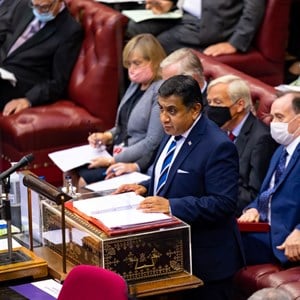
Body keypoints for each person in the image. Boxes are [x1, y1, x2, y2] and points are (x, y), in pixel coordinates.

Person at [114, 75, 245, 300]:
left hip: (206, 263)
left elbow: (223, 203)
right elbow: (172, 175)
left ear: (195, 110)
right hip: (172, 252)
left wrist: (171, 205)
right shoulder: (173, 132)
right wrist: (144, 187)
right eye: (161, 109)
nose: (164, 118)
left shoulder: (218, 146)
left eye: (172, 111)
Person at [75, 33, 166, 187]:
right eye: (129, 64)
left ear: (155, 61)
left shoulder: (160, 90)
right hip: (117, 150)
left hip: (137, 161)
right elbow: (122, 126)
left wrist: (114, 160)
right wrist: (106, 136)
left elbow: (152, 141)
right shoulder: (135, 84)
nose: (131, 69)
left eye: (137, 63)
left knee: (84, 183)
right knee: (70, 171)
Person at [238, 93, 300, 266]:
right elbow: (267, 192)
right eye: (272, 117)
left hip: (283, 239)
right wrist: (253, 209)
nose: (273, 124)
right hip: (262, 228)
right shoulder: (281, 150)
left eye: (280, 117)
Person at [206, 75, 278, 216]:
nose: (212, 108)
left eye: (218, 102)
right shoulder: (219, 130)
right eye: (209, 102)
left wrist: (211, 194)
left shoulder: (261, 139)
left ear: (239, 105)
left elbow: (254, 194)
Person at [0, 0, 83, 115]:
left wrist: (28, 100)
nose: (38, 11)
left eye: (44, 7)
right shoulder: (23, 5)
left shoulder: (70, 31)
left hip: (16, 85)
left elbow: (57, 82)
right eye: (34, 6)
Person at [126, 0, 266, 55]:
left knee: (155, 45)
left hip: (208, 23)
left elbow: (254, 7)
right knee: (134, 28)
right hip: (180, 12)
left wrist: (235, 43)